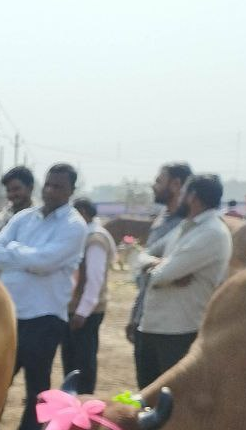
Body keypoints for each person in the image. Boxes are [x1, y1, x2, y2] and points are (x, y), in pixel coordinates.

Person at [0, 163, 88, 430]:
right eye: (49, 185)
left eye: (59, 186)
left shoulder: (74, 225)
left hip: (45, 316)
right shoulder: (23, 217)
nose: (51, 191)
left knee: (37, 386)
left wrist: (13, 253)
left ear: (71, 191)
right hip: (9, 314)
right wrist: (26, 255)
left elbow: (45, 262)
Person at [136, 174, 232, 383]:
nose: (178, 198)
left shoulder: (212, 233)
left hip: (179, 333)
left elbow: (159, 277)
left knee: (173, 408)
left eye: (183, 193)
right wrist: (158, 266)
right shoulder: (186, 227)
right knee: (145, 404)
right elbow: (140, 257)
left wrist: (158, 270)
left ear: (193, 196)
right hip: (153, 327)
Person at [128, 162, 191, 388]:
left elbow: (178, 275)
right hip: (145, 319)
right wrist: (135, 316)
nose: (154, 186)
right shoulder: (161, 220)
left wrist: (153, 266)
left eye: (158, 181)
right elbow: (142, 268)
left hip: (173, 327)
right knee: (146, 390)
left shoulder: (189, 226)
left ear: (175, 185)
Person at [61, 198, 115, 394]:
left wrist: (82, 312)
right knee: (71, 361)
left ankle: (83, 402)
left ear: (83, 212)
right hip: (75, 309)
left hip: (86, 312)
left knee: (83, 362)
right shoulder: (85, 235)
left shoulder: (95, 239)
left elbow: (95, 279)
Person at [0, 166, 36, 236]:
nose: (11, 194)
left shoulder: (41, 219)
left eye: (16, 189)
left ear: (30, 188)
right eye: (8, 190)